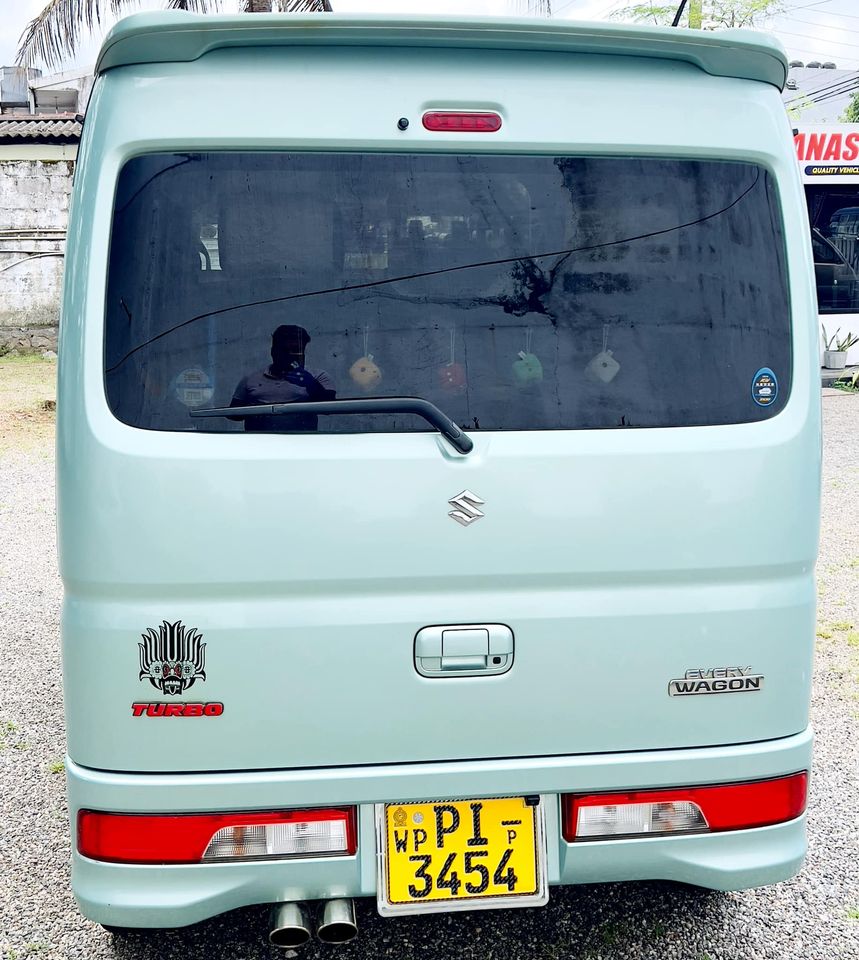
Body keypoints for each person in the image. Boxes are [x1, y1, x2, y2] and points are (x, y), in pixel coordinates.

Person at [230, 324, 335, 432]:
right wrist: (256, 411)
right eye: (285, 350)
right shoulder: (251, 379)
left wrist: (311, 385)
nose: (291, 355)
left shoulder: (318, 376)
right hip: (259, 440)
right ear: (273, 352)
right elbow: (232, 414)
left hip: (301, 441)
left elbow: (330, 408)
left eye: (296, 350)